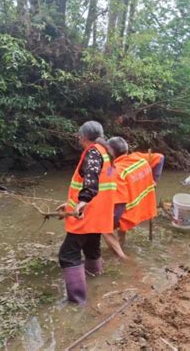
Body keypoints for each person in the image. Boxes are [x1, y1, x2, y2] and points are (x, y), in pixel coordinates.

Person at [55, 121, 117, 305]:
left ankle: (77, 301)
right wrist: (69, 203)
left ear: (82, 137)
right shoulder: (106, 152)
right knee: (91, 248)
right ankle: (95, 280)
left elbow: (91, 179)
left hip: (86, 213)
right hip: (99, 212)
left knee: (67, 255)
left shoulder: (93, 152)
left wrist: (82, 202)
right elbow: (99, 181)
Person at [107, 137, 164, 245]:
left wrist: (111, 225)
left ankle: (119, 253)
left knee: (106, 226)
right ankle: (121, 244)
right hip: (145, 204)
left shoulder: (117, 171)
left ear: (111, 153)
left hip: (129, 211)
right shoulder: (138, 157)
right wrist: (154, 181)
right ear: (126, 149)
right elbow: (160, 158)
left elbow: (120, 205)